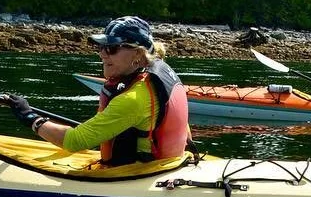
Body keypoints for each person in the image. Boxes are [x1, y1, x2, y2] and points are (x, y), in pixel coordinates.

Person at [10, 16, 190, 166]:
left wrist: (30, 118)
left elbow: (74, 141)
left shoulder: (134, 99)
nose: (102, 54)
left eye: (112, 48)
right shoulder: (157, 72)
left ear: (138, 53)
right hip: (169, 166)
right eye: (101, 47)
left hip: (137, 177)